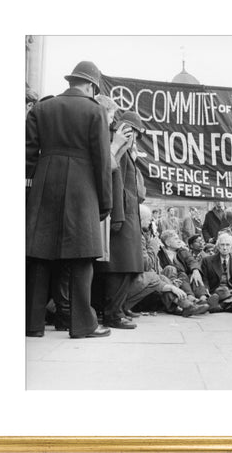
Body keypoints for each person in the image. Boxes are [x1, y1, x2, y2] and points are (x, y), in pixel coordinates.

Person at [26, 60, 112, 339]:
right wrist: (105, 201)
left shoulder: (41, 108)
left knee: (39, 255)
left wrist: (31, 189)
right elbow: (101, 160)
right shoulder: (95, 110)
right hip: (82, 188)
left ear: (72, 81)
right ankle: (83, 325)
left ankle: (32, 324)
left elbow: (27, 155)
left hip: (44, 184)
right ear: (91, 86)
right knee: (81, 258)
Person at [93, 110, 146, 330]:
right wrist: (118, 216)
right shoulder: (120, 153)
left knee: (127, 267)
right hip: (122, 216)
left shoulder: (126, 153)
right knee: (119, 268)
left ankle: (117, 310)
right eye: (133, 132)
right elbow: (116, 186)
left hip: (128, 216)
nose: (135, 137)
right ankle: (113, 314)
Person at [158, 229, 206, 298]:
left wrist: (195, 270)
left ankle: (203, 298)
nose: (179, 241)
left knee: (194, 275)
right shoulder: (160, 254)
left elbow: (191, 260)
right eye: (176, 239)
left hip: (185, 278)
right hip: (171, 280)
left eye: (179, 238)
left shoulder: (182, 251)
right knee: (181, 274)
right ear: (168, 243)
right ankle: (190, 298)